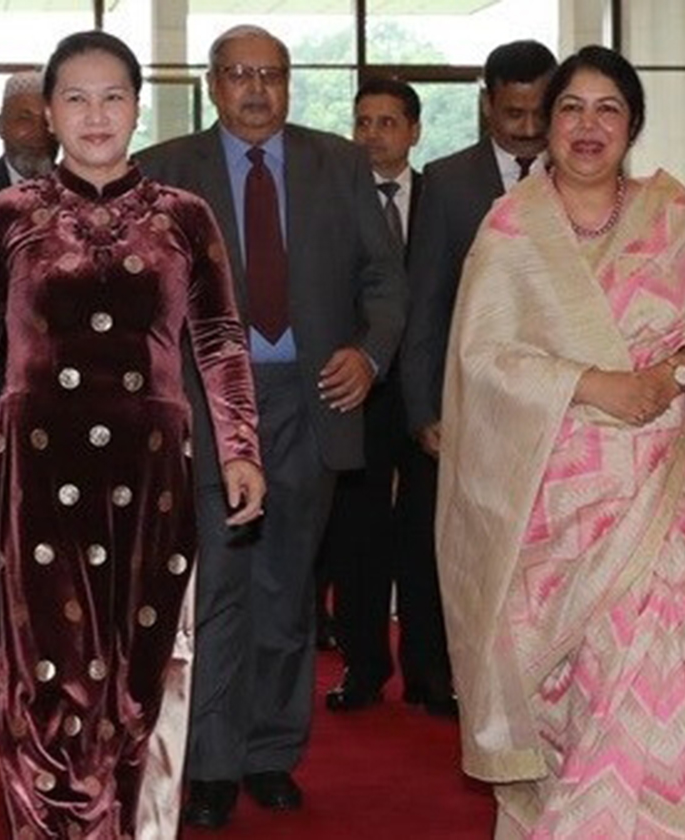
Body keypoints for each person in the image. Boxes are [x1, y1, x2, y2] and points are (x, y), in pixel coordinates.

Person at [0, 31, 266, 838]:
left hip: (151, 480)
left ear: (137, 106)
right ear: (47, 113)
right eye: (75, 98)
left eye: (112, 96)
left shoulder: (185, 218)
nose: (95, 115)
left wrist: (240, 447)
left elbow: (221, 340)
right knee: (49, 682)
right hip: (38, 488)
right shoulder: (8, 214)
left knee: (141, 677)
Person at [438, 46, 685, 837]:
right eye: (572, 108)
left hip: (647, 500)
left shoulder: (665, 214)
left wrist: (669, 378)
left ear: (633, 124)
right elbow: (483, 358)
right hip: (546, 507)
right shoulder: (510, 230)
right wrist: (596, 384)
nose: (588, 125)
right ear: (546, 123)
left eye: (608, 109)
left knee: (637, 679)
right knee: (562, 700)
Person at [137, 24, 406, 829]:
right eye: (239, 74)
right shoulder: (166, 170)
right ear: (211, 84)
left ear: (290, 85)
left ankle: (271, 752)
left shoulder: (338, 162)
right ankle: (212, 762)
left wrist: (369, 355)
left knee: (288, 584)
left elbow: (385, 279)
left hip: (313, 396)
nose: (256, 90)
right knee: (219, 580)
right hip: (209, 403)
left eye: (272, 75)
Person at [398, 39, 557, 715]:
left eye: (537, 112)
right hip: (466, 401)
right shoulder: (450, 180)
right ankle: (435, 677)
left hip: (552, 401)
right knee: (449, 548)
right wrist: (423, 408)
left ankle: (533, 671)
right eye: (512, 111)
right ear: (486, 103)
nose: (525, 129)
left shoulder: (577, 173)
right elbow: (424, 302)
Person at [320, 76, 434, 714]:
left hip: (421, 394)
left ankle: (425, 668)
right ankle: (362, 667)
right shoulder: (332, 197)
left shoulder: (442, 195)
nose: (373, 134)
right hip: (355, 388)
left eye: (388, 122)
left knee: (423, 533)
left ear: (413, 130)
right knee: (356, 536)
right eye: (363, 121)